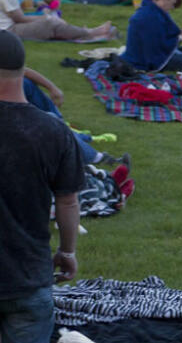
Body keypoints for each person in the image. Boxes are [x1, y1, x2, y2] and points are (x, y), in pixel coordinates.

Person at [0, 31, 85, 343]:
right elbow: (68, 202)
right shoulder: (54, 131)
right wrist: (67, 250)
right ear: (24, 72)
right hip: (28, 277)